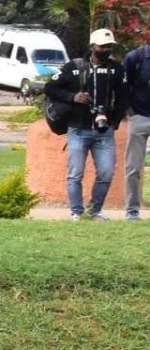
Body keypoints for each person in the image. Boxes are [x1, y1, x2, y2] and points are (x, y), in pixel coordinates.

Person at [48, 28, 127, 220]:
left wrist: (113, 122)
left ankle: (95, 210)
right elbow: (50, 87)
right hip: (77, 128)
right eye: (102, 46)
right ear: (92, 46)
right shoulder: (74, 67)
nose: (105, 49)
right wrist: (73, 97)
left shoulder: (117, 69)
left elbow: (123, 98)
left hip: (103, 130)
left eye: (109, 46)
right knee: (75, 174)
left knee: (107, 173)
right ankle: (76, 212)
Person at [125, 35, 150, 220]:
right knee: (133, 168)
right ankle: (132, 210)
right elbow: (124, 88)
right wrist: (131, 113)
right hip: (139, 117)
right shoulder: (135, 58)